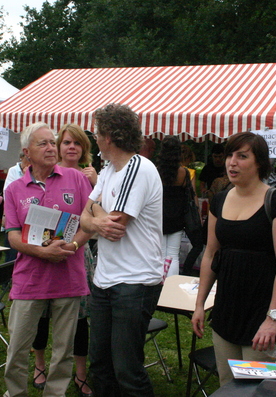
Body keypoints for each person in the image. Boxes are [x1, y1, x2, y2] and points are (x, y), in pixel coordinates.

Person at [191, 132, 276, 387]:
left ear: (259, 162)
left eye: (242, 156)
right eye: (229, 155)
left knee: (260, 389)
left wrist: (273, 319)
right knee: (228, 386)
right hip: (227, 312)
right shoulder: (219, 200)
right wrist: (199, 304)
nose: (232, 162)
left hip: (263, 314)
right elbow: (210, 254)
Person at [3, 122, 93, 397]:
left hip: (69, 276)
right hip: (30, 280)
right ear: (27, 152)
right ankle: (15, 393)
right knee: (18, 347)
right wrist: (43, 252)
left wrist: (74, 244)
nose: (51, 148)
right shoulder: (15, 188)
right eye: (43, 144)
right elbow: (13, 236)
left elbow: (89, 221)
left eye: (52, 142)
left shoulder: (76, 179)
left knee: (64, 349)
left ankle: (55, 394)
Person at [80, 103, 163, 397]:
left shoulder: (137, 168)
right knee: (100, 364)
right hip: (106, 279)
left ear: (109, 137)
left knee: (127, 368)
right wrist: (94, 219)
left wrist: (94, 218)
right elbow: (84, 215)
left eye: (97, 132)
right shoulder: (108, 170)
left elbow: (114, 225)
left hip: (135, 281)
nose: (94, 138)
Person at [30, 123, 97, 395]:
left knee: (80, 317)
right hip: (41, 252)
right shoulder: (45, 173)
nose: (72, 147)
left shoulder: (91, 177)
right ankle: (39, 365)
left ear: (84, 149)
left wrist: (96, 184)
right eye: (67, 142)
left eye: (77, 143)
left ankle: (80, 372)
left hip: (78, 253)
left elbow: (99, 215)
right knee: (41, 313)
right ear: (58, 148)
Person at [157, 136, 192, 277]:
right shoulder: (184, 173)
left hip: (159, 217)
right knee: (173, 255)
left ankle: (159, 283)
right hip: (177, 218)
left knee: (160, 254)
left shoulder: (156, 171)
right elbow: (188, 195)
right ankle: (170, 286)